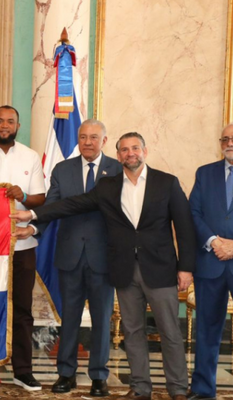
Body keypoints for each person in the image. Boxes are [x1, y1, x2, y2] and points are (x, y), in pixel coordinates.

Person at [12, 132, 195, 400]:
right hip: (123, 270)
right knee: (132, 331)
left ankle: (178, 389)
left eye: (135, 148)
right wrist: (32, 214)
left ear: (145, 151)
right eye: (125, 150)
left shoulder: (167, 182)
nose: (130, 153)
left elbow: (185, 227)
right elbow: (71, 204)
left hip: (160, 269)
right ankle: (140, 387)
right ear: (118, 155)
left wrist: (186, 268)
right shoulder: (108, 186)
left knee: (169, 331)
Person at [22, 119, 122, 397]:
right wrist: (33, 228)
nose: (87, 142)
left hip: (104, 257)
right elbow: (52, 206)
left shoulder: (117, 169)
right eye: (83, 137)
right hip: (69, 256)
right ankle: (65, 374)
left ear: (104, 141)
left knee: (102, 320)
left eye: (94, 137)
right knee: (69, 318)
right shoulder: (62, 169)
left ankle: (99, 376)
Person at [0, 105, 45, 392]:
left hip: (23, 245)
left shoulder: (30, 156)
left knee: (22, 309)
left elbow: (40, 199)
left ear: (18, 126)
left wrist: (24, 195)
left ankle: (23, 371)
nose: (5, 125)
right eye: (0, 121)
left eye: (10, 121)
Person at [187, 123, 233, 400]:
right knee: (207, 330)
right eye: (225, 139)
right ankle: (204, 389)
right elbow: (193, 212)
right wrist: (215, 242)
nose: (229, 143)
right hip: (210, 262)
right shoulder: (205, 173)